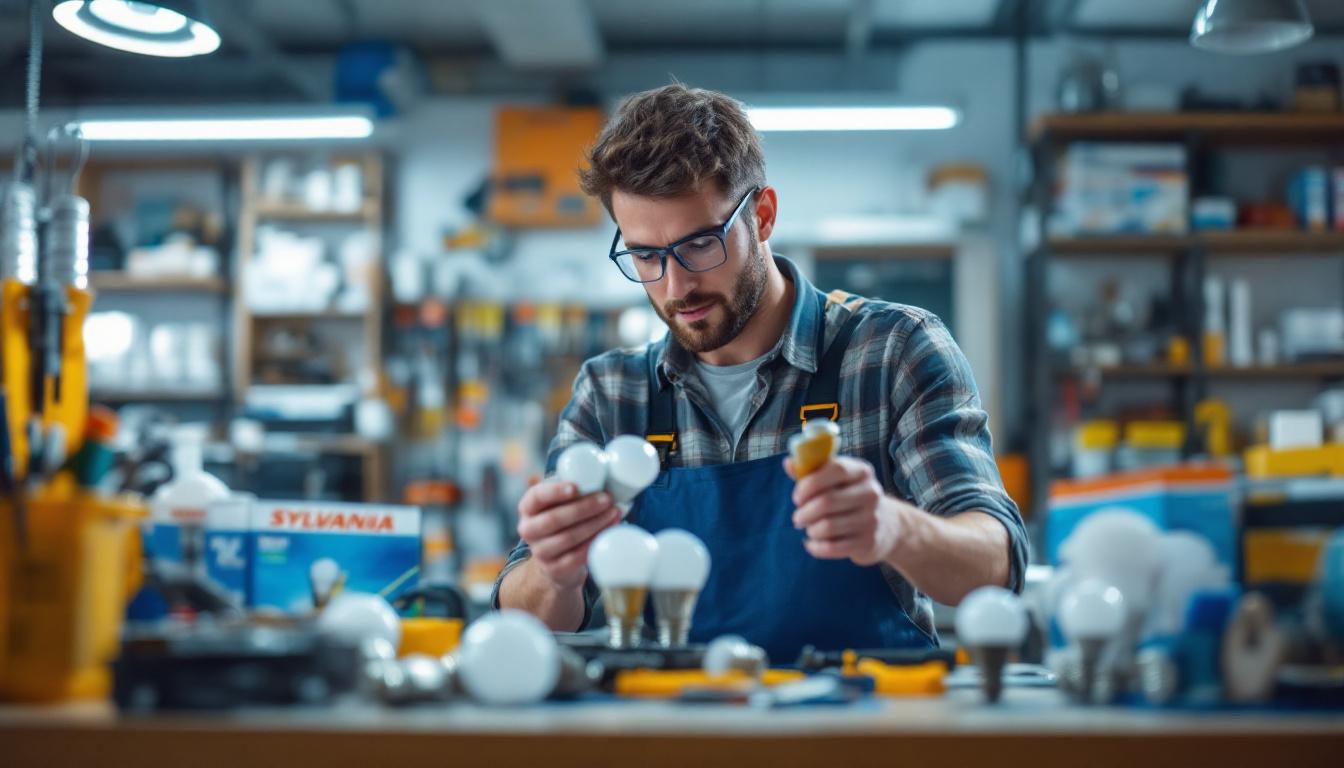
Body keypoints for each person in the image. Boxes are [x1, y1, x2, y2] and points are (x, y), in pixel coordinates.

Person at [493, 84, 1027, 660]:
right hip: (674, 732)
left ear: (763, 215)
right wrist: (556, 570)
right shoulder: (614, 394)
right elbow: (529, 617)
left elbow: (996, 566)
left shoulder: (892, 351)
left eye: (700, 244)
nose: (676, 287)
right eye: (645, 256)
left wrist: (895, 530)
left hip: (857, 733)